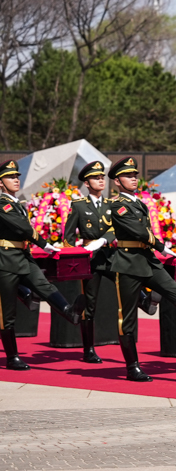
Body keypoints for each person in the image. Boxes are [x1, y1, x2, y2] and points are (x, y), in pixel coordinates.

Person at [108, 157, 176, 382]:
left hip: (147, 259)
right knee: (127, 318)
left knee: (173, 289)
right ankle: (133, 367)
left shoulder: (138, 203)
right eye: (128, 175)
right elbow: (138, 232)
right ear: (117, 182)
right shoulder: (117, 204)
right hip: (128, 262)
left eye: (134, 175)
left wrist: (158, 250)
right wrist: (162, 247)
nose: (133, 178)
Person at [0, 159, 84, 370]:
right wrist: (46, 245)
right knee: (7, 313)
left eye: (17, 176)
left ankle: (69, 312)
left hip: (23, 255)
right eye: (11, 177)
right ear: (1, 182)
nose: (16, 180)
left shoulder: (16, 202)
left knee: (44, 285)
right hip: (6, 259)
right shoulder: (3, 203)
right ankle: (12, 357)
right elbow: (23, 229)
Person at [62, 161, 116, 363]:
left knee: (130, 281)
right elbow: (68, 237)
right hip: (91, 258)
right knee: (90, 304)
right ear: (86, 183)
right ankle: (88, 349)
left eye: (102, 177)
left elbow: (117, 228)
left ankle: (144, 300)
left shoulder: (111, 204)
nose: (101, 180)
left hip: (110, 256)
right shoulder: (78, 206)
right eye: (96, 178)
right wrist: (75, 258)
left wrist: (105, 240)